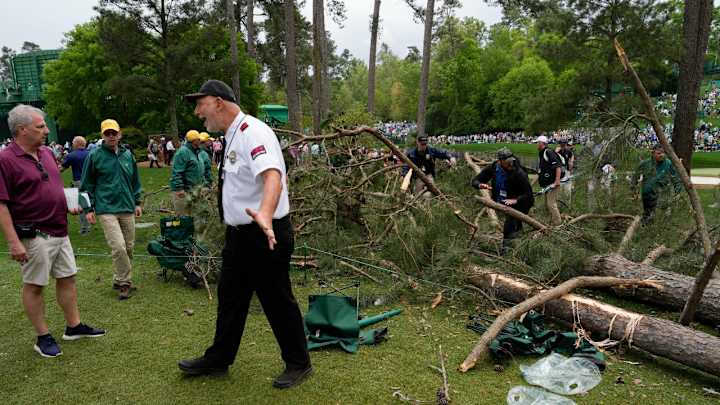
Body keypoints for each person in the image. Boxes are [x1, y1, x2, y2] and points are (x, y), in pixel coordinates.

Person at [179, 79, 312, 388]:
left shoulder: (253, 132)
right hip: (240, 236)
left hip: (264, 233)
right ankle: (219, 359)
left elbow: (272, 176)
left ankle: (299, 363)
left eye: (201, 103)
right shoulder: (232, 135)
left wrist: (265, 213)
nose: (198, 112)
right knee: (230, 298)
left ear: (219, 102)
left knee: (277, 301)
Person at [0, 105, 105, 358]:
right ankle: (43, 336)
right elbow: (1, 204)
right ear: (21, 130)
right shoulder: (5, 160)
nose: (47, 130)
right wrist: (14, 242)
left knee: (67, 277)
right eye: (40, 127)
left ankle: (74, 326)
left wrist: (68, 205)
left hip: (60, 229)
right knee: (35, 285)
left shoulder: (46, 152)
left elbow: (51, 186)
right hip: (35, 235)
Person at [80, 119, 143, 300]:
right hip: (106, 208)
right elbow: (86, 185)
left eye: (114, 133)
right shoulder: (94, 156)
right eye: (107, 133)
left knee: (129, 247)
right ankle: (124, 283)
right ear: (102, 135)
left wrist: (137, 202)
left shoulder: (127, 155)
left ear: (119, 134)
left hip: (127, 206)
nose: (111, 136)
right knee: (118, 246)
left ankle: (118, 277)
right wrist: (88, 209)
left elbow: (135, 181)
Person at [472, 148, 534, 254]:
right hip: (504, 202)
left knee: (509, 227)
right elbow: (475, 181)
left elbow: (528, 194)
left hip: (521, 203)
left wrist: (516, 200)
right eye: (507, 162)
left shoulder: (519, 172)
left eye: (511, 161)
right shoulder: (493, 167)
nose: (511, 164)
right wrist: (480, 185)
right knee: (515, 226)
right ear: (500, 161)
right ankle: (522, 245)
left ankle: (506, 253)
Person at [632, 144, 682, 224]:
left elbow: (675, 178)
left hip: (662, 194)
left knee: (661, 215)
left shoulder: (668, 163)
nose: (661, 155)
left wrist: (678, 191)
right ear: (653, 153)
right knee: (647, 215)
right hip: (647, 195)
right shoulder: (646, 164)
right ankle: (647, 228)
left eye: (663, 153)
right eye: (659, 153)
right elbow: (635, 176)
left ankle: (662, 227)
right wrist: (633, 188)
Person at [61, 136, 92, 234]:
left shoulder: (71, 155)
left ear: (76, 144)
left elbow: (62, 168)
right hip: (92, 181)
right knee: (92, 203)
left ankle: (85, 228)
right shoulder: (91, 154)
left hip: (79, 182)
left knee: (82, 204)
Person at [169, 130, 204, 215]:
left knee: (194, 217)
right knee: (184, 218)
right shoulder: (183, 152)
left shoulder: (195, 152)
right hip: (183, 192)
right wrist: (179, 189)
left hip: (194, 190)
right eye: (199, 140)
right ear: (194, 141)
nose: (200, 141)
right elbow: (177, 172)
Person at [535, 135, 563, 225]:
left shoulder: (548, 152)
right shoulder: (542, 153)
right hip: (547, 184)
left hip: (553, 183)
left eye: (537, 143)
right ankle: (551, 221)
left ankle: (558, 223)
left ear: (541, 143)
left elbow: (558, 166)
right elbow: (540, 172)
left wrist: (557, 181)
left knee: (551, 204)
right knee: (548, 204)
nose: (536, 145)